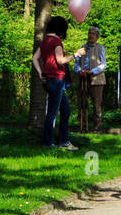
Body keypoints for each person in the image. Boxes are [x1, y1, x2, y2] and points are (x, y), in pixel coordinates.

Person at [32, 16, 78, 150]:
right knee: (52, 113)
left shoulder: (45, 41)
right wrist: (76, 54)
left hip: (49, 80)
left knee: (66, 110)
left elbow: (35, 58)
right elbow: (60, 61)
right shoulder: (57, 41)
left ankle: (64, 141)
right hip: (57, 80)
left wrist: (40, 73)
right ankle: (49, 142)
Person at [75, 27, 107, 129]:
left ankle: (96, 126)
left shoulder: (100, 47)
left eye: (93, 34)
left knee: (96, 104)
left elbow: (103, 64)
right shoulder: (82, 47)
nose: (90, 35)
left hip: (96, 79)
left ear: (97, 37)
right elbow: (76, 63)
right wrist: (80, 70)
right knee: (82, 102)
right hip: (83, 78)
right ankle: (83, 125)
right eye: (89, 33)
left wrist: (92, 71)